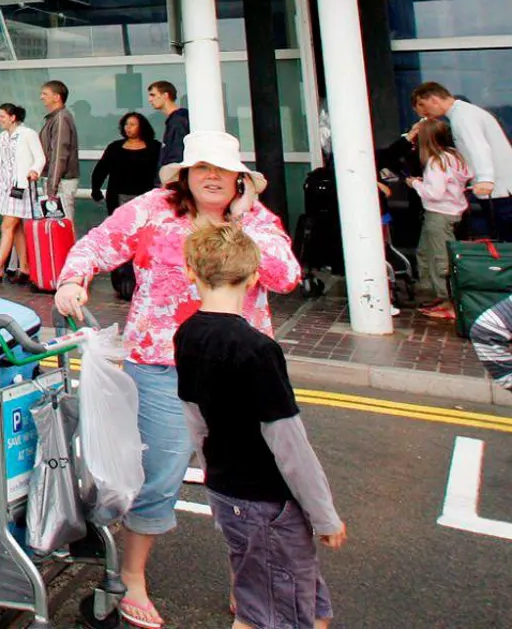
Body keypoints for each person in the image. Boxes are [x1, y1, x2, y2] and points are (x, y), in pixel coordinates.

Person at [54, 131, 302, 629]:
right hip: (162, 364)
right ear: (185, 175)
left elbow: (286, 276)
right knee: (161, 472)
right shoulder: (154, 208)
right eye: (201, 168)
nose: (212, 177)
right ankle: (131, 577)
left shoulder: (256, 220)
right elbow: (96, 246)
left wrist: (240, 228)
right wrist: (71, 280)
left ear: (239, 179)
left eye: (223, 170)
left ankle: (248, 585)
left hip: (237, 370)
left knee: (249, 481)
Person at [177, 222, 346, 629]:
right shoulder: (258, 349)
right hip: (270, 502)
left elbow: (194, 417)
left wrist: (212, 471)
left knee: (303, 605)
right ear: (255, 277)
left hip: (227, 492)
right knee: (270, 615)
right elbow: (288, 442)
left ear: (189, 272)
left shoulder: (186, 334)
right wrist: (324, 515)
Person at [411, 81, 512, 239]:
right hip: (501, 188)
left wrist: (486, 179)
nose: (422, 113)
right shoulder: (466, 113)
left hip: (499, 192)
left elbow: (478, 147)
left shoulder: (463, 117)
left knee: (505, 240)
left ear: (434, 99)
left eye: (422, 105)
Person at [407, 118, 472, 321]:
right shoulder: (454, 157)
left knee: (439, 259)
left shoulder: (436, 161)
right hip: (452, 212)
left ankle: (448, 301)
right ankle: (440, 296)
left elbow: (435, 193)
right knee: (428, 253)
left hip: (438, 214)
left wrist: (415, 184)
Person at [0, 104, 44, 282]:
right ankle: (25, 268)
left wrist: (34, 170)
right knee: (16, 229)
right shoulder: (2, 136)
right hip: (5, 187)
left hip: (21, 187)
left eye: (2, 116)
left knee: (7, 226)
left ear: (13, 117)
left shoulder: (28, 134)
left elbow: (40, 157)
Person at [91, 112, 163, 214]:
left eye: (132, 125)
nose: (128, 127)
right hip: (119, 197)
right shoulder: (114, 147)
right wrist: (95, 190)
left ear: (142, 127)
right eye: (126, 124)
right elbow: (101, 170)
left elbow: (162, 170)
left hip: (146, 198)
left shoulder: (154, 147)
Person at [37, 80, 80, 223]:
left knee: (63, 226)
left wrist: (51, 188)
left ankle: (70, 247)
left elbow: (59, 154)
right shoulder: (55, 118)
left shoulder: (61, 119)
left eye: (45, 93)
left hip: (61, 182)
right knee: (56, 227)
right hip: (57, 181)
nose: (41, 97)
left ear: (57, 97)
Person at [150, 80, 190, 170]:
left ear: (165, 95)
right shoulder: (176, 119)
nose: (150, 99)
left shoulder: (178, 120)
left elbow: (177, 154)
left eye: (153, 95)